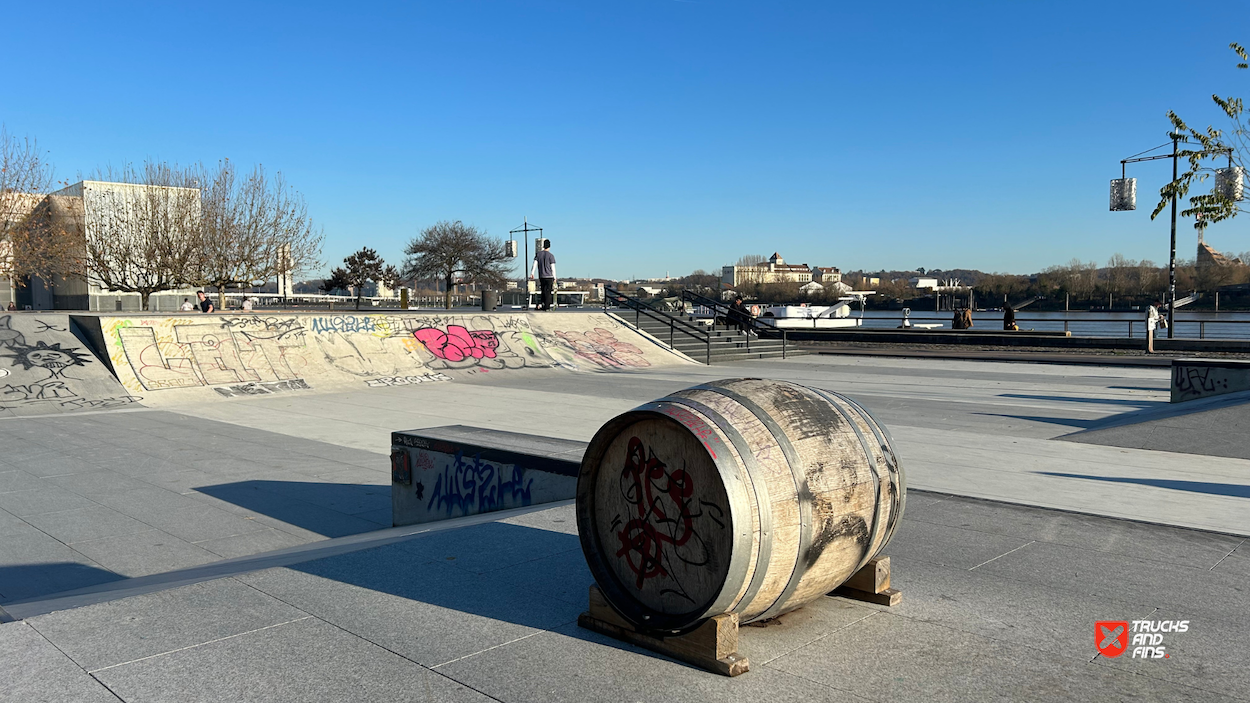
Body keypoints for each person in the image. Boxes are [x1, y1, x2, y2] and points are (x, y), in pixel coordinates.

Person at [529, 239, 556, 311]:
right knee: (548, 292)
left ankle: (543, 304)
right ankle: (547, 306)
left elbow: (534, 264)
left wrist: (532, 273)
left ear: (543, 246)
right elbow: (553, 268)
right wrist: (555, 277)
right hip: (549, 276)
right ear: (549, 246)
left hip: (542, 276)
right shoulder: (551, 256)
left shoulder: (538, 254)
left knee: (543, 291)